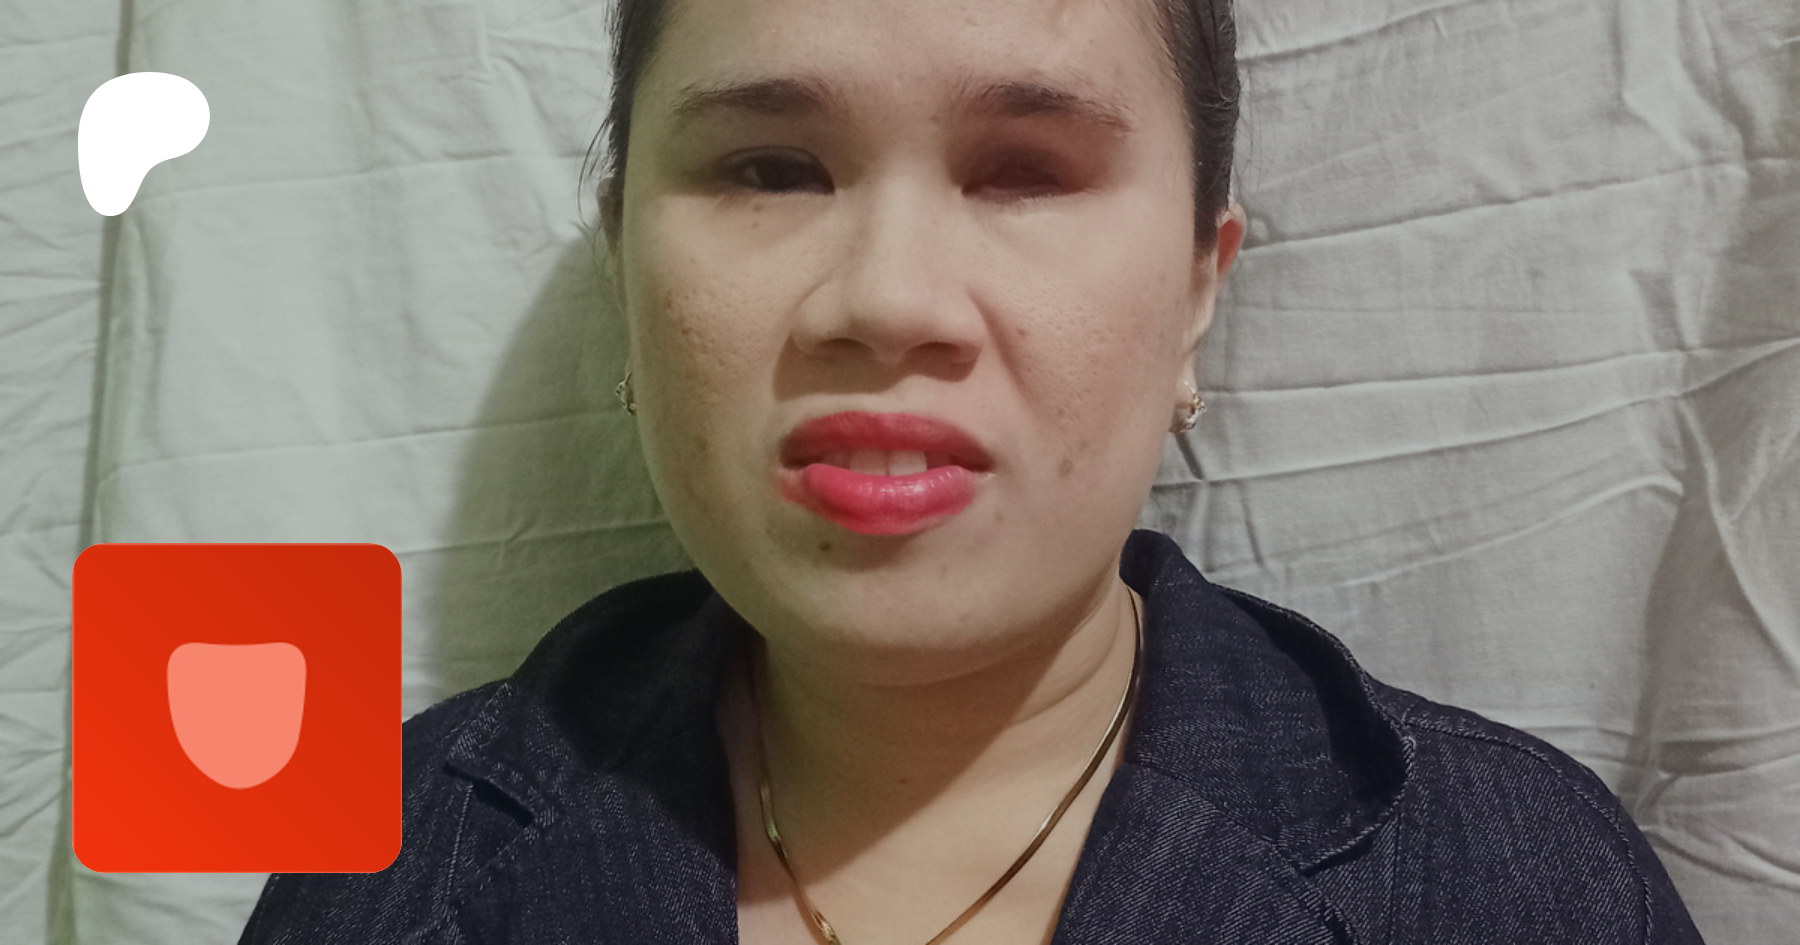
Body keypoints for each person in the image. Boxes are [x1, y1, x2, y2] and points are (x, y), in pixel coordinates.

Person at [240, 0, 1705, 942]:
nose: (888, 300)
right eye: (771, 169)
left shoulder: (1514, 883)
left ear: (1199, 287)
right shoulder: (385, 861)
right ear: (626, 264)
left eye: (1025, 170)